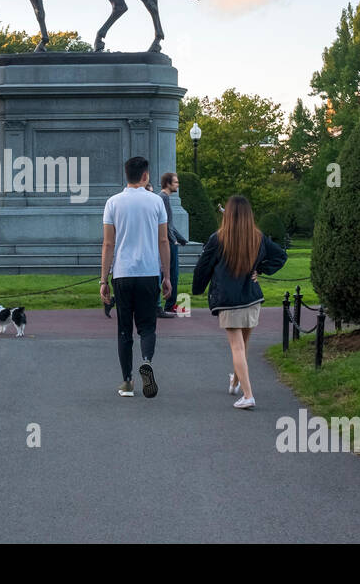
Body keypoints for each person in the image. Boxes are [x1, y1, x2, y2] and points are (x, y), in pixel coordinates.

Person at [191, 195, 288, 409]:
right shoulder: (258, 237)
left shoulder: (218, 238)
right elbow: (281, 256)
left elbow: (203, 267)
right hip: (252, 298)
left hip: (228, 300)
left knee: (237, 348)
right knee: (242, 346)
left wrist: (197, 289)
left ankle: (248, 395)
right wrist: (260, 269)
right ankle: (235, 381)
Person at [100, 156, 170, 398]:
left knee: (124, 329)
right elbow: (163, 240)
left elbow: (108, 243)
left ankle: (127, 382)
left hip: (122, 273)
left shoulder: (112, 203)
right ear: (145, 176)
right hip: (149, 271)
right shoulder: (156, 202)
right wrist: (167, 275)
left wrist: (103, 279)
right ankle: (147, 361)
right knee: (148, 326)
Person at [157, 173, 189, 317]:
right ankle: (169, 305)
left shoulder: (162, 197)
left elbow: (169, 224)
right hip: (169, 243)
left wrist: (181, 239)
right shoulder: (163, 198)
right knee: (172, 275)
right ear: (168, 184)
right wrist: (174, 240)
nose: (178, 184)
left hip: (170, 240)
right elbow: (167, 224)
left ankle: (166, 305)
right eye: (175, 182)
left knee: (165, 274)